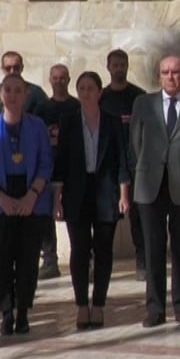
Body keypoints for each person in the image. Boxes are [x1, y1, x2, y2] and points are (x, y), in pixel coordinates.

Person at [129, 55, 180, 327]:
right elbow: (136, 143)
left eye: (176, 72)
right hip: (150, 185)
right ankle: (155, 308)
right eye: (166, 72)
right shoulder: (143, 104)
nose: (171, 77)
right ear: (159, 75)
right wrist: (152, 166)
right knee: (153, 250)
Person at [0, 73, 55, 335]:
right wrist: (0, 195)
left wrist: (32, 195)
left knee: (27, 259)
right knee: (0, 260)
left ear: (26, 95)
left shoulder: (37, 126)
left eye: (17, 90)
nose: (12, 95)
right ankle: (6, 312)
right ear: (0, 96)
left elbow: (46, 163)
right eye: (7, 90)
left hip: (31, 198)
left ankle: (23, 312)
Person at [52, 71, 131, 328]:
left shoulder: (112, 121)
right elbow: (60, 163)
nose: (86, 93)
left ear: (99, 92)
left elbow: (122, 160)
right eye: (81, 88)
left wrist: (124, 195)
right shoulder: (69, 121)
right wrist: (57, 199)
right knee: (79, 251)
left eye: (90, 88)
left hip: (105, 190)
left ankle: (98, 305)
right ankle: (81, 305)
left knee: (104, 251)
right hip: (77, 192)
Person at [100, 48, 148, 279]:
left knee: (139, 215)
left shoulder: (140, 97)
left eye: (122, 65)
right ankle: (100, 263)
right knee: (106, 216)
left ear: (127, 67)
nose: (119, 69)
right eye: (115, 65)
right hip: (110, 166)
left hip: (136, 163)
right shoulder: (101, 98)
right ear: (108, 68)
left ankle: (143, 262)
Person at [34, 63, 79, 280]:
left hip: (71, 169)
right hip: (47, 168)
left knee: (74, 215)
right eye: (55, 78)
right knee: (45, 216)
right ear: (50, 80)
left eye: (63, 77)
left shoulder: (77, 106)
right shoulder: (42, 109)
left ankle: (82, 259)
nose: (59, 81)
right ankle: (50, 260)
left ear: (69, 80)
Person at [0, 49, 50, 120]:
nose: (12, 71)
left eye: (16, 68)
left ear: (22, 68)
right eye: (8, 68)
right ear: (3, 69)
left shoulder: (36, 92)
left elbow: (48, 117)